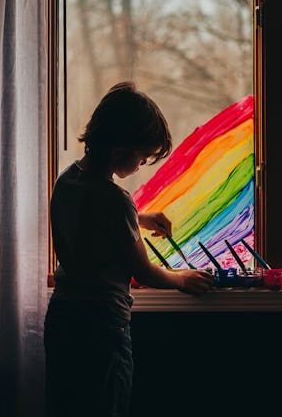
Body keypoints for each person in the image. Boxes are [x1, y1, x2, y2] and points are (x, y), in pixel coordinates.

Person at [44, 81, 214, 417]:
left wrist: (141, 216)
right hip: (102, 328)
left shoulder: (67, 179)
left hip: (63, 319)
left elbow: (90, 216)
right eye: (142, 157)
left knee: (67, 406)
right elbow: (144, 271)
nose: (141, 166)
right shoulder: (115, 199)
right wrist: (184, 280)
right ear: (120, 151)